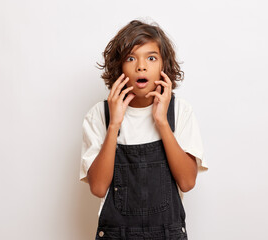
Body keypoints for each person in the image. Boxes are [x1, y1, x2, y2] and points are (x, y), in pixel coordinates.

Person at [80, 19, 208, 240]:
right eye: (131, 58)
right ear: (118, 68)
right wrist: (114, 126)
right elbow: (99, 188)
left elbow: (187, 182)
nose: (141, 66)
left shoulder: (180, 113)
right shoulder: (99, 115)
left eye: (151, 58)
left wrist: (162, 123)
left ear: (164, 67)